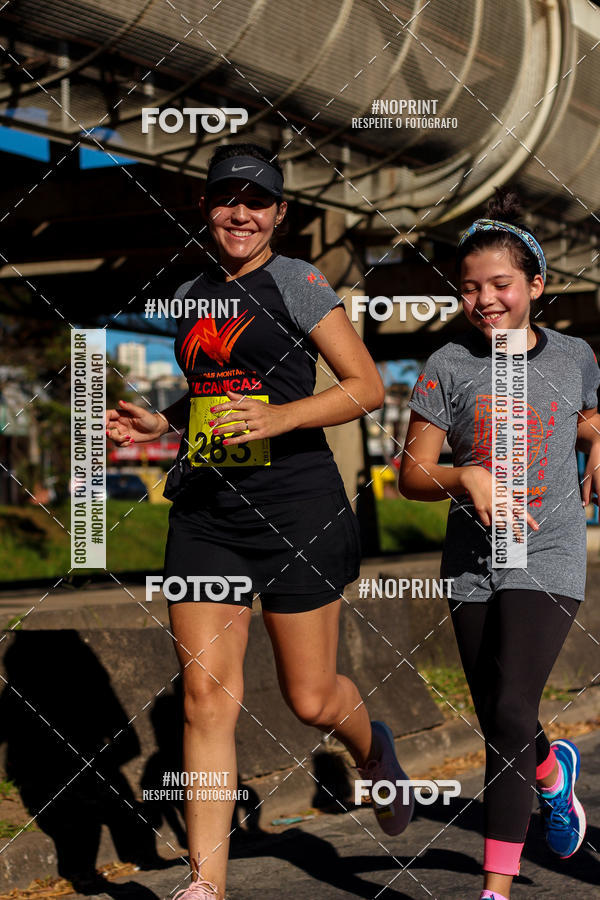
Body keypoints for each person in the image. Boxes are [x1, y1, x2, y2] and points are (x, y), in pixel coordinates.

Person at [106, 142, 414, 900]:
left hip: (296, 510)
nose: (239, 212)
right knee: (207, 697)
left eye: (257, 201)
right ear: (206, 208)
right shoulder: (191, 290)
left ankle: (376, 751)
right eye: (225, 198)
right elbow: (215, 391)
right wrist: (161, 425)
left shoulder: (298, 282)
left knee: (310, 699)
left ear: (280, 213)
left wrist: (279, 418)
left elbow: (365, 386)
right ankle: (205, 885)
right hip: (209, 515)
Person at [398, 188, 600, 900]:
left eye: (500, 285)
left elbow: (586, 417)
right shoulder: (448, 364)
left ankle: (495, 890)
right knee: (499, 714)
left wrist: (599, 441)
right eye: (470, 287)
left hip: (546, 553)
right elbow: (410, 477)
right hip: (473, 560)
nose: (484, 299)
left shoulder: (575, 354)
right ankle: (551, 774)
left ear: (535, 287)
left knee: (510, 713)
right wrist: (464, 475)